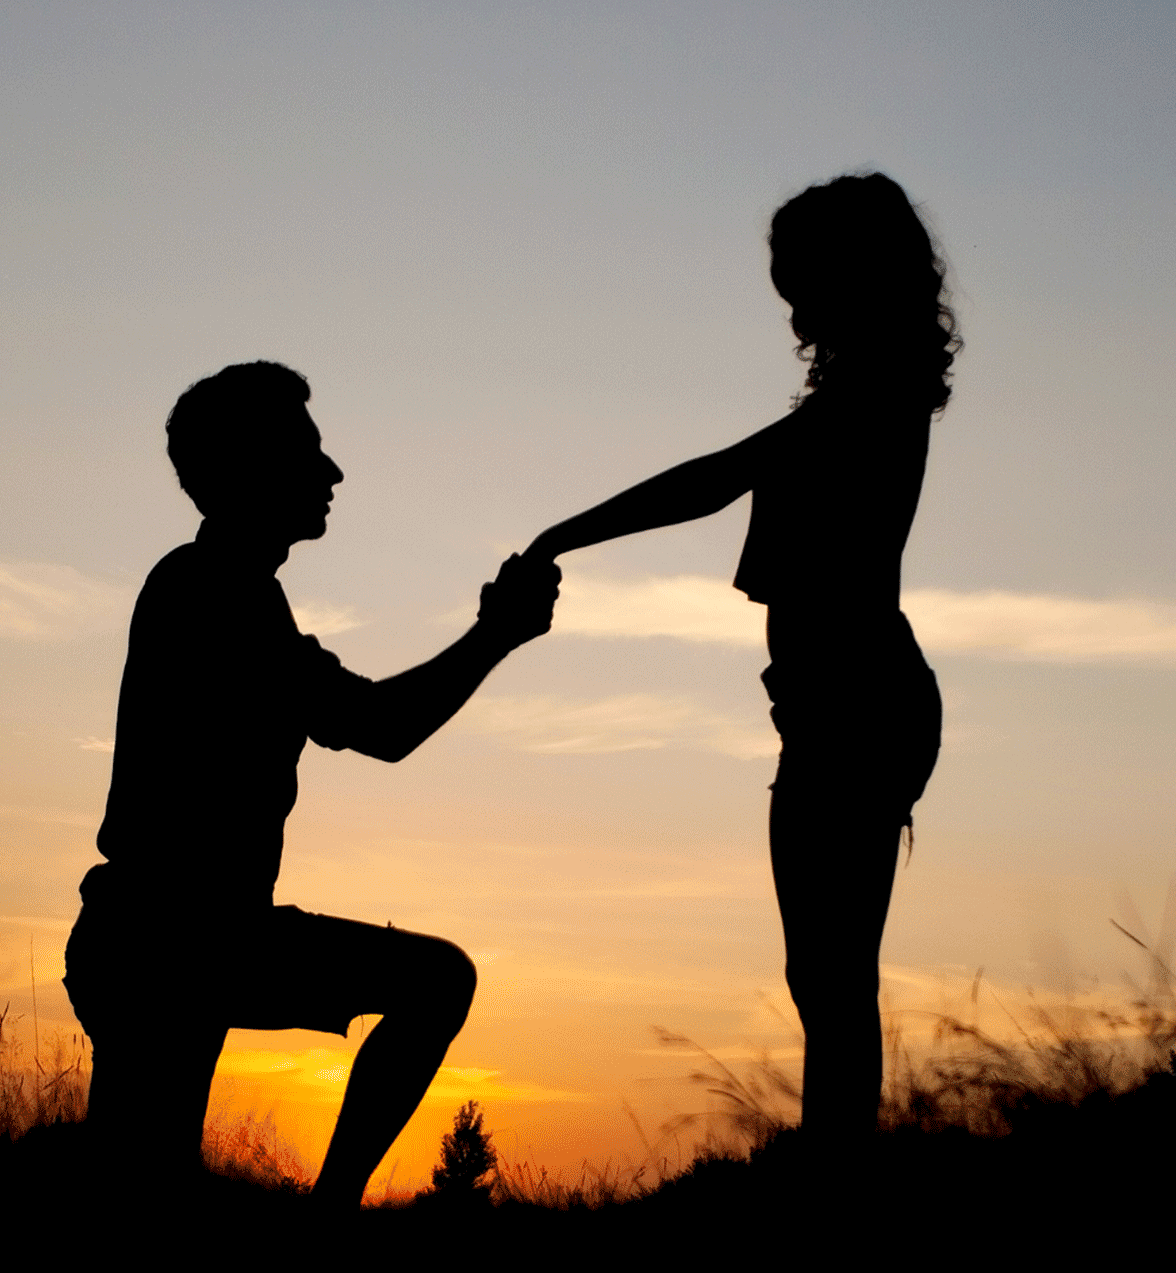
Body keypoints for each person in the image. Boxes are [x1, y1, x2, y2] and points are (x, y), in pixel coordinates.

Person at [524, 172, 958, 1147]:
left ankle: (834, 1168)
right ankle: (833, 1160)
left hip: (856, 702)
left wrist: (563, 533)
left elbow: (714, 480)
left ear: (854, 278)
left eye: (803, 284)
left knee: (831, 976)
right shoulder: (862, 391)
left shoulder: (868, 394)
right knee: (825, 975)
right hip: (836, 702)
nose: (792, 310)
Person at [65, 360, 558, 1209]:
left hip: (186, 940)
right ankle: (330, 1216)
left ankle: (327, 1214)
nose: (332, 472)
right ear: (248, 470)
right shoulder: (214, 594)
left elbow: (374, 722)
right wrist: (496, 635)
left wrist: (495, 635)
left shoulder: (234, 592)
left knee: (143, 1188)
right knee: (137, 1196)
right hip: (166, 944)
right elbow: (383, 727)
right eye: (307, 453)